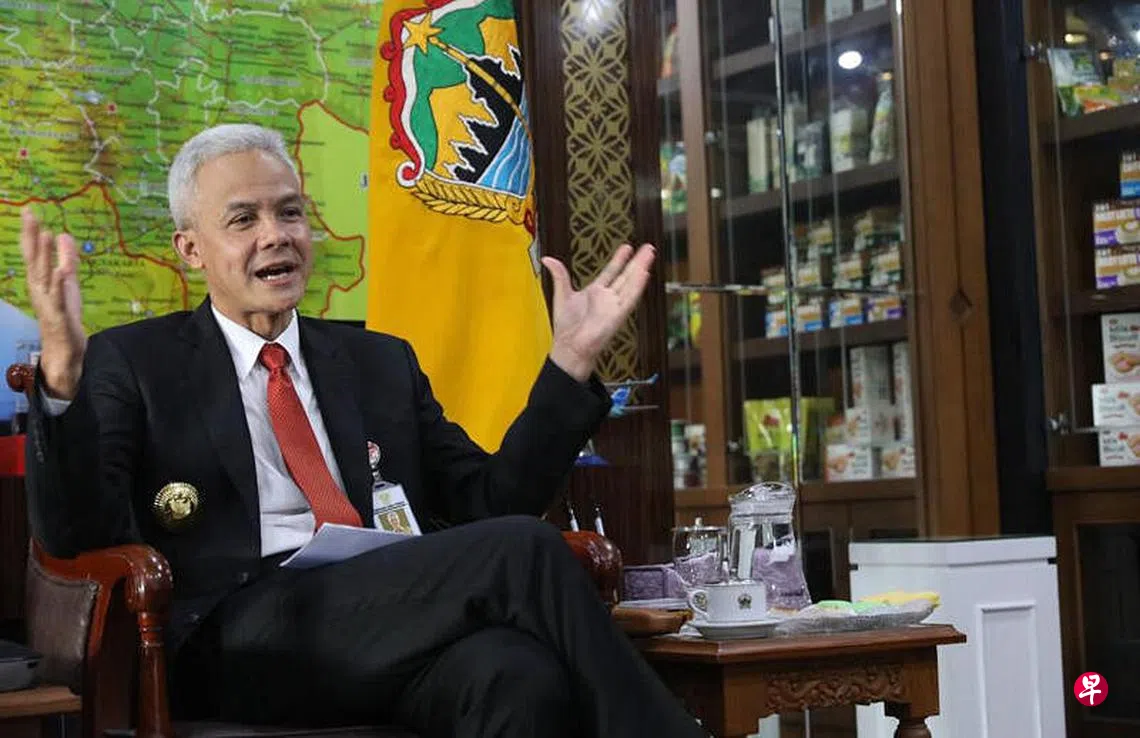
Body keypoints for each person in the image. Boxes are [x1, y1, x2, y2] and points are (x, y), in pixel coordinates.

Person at [20, 123, 704, 738]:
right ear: (191, 249)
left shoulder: (379, 362)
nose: (276, 235)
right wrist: (62, 384)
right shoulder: (135, 362)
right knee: (524, 551)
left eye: (291, 211)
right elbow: (77, 533)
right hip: (235, 636)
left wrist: (569, 363)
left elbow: (494, 503)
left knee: (514, 675)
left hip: (386, 618)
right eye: (244, 219)